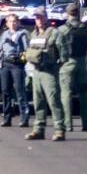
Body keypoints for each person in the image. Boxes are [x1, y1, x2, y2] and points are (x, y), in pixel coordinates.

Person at [24, 9, 66, 141]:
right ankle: (38, 129)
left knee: (54, 101)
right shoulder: (34, 34)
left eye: (41, 17)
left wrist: (57, 65)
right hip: (36, 71)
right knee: (38, 101)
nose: (39, 20)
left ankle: (59, 130)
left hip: (49, 71)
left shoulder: (54, 33)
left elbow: (64, 52)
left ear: (46, 18)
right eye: (37, 17)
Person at [56, 3, 87, 132]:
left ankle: (68, 124)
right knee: (84, 94)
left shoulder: (63, 29)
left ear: (67, 13)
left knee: (66, 94)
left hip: (67, 63)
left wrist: (60, 61)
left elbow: (58, 46)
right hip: (82, 62)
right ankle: (86, 124)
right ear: (78, 13)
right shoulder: (85, 28)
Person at [0, 13, 30, 128]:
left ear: (18, 22)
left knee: (20, 91)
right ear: (7, 23)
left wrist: (23, 56)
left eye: (14, 21)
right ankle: (7, 118)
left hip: (17, 64)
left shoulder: (23, 34)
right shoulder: (4, 34)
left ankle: (24, 118)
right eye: (10, 21)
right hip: (6, 63)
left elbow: (27, 50)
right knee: (5, 91)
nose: (12, 23)